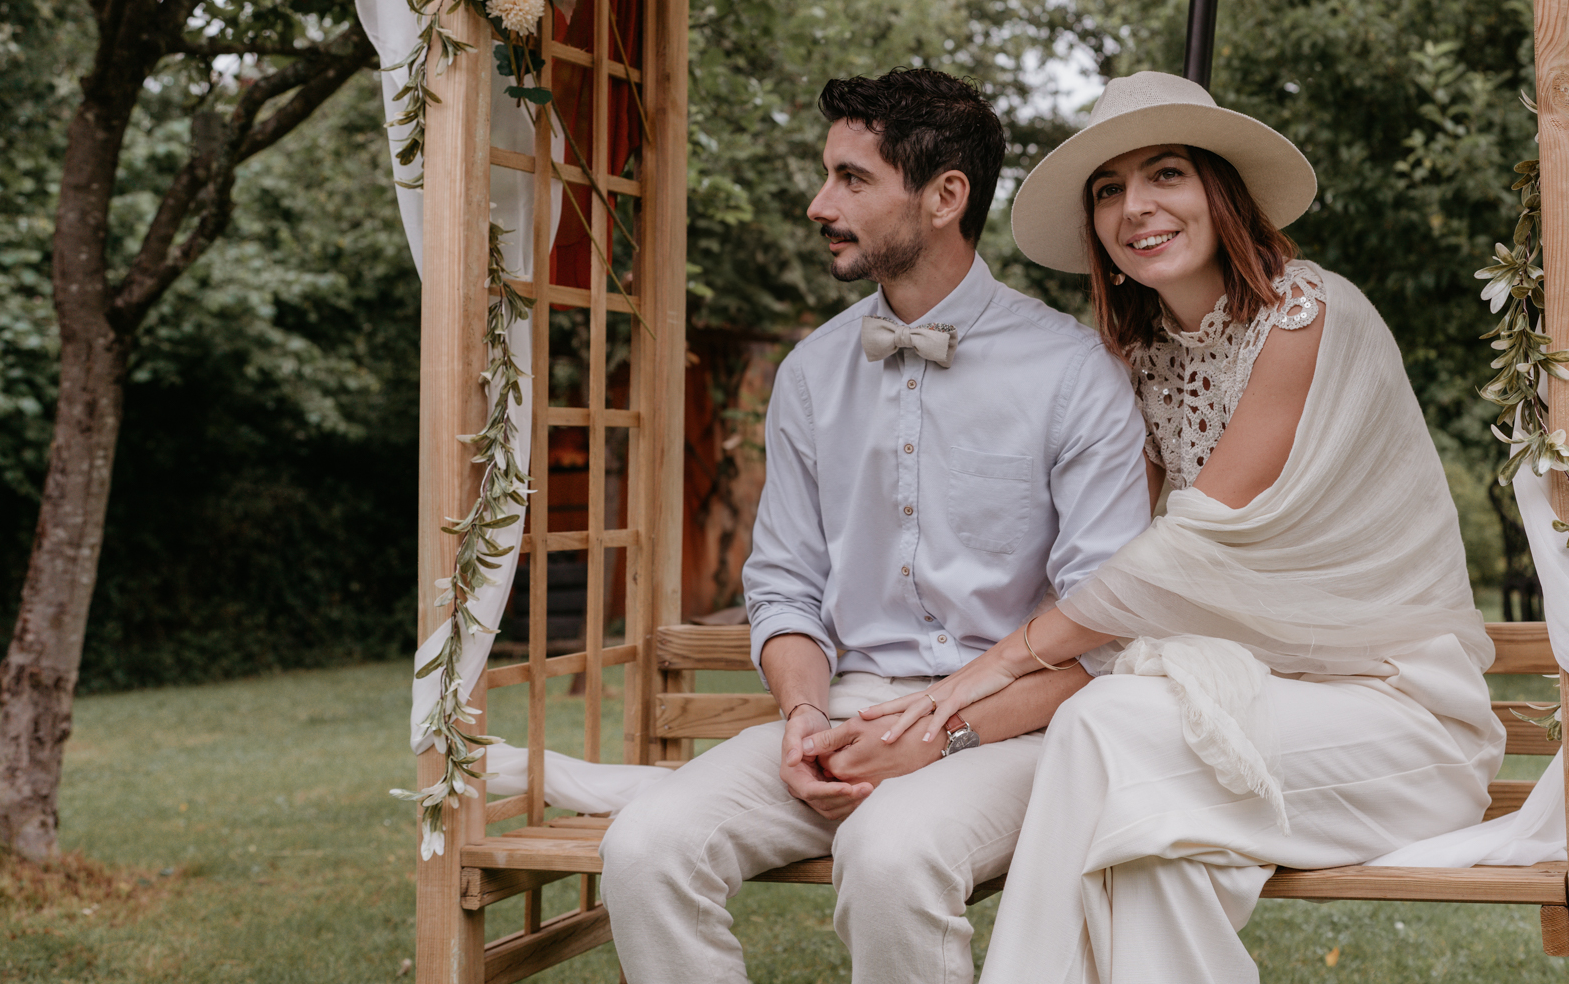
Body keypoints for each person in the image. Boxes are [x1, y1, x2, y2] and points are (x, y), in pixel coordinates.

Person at [862, 71, 1505, 984]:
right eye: (1110, 188)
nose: (1137, 206)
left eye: (1165, 172)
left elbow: (1186, 549)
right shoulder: (1143, 359)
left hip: (1396, 724)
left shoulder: (1309, 314)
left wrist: (999, 662)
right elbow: (1112, 553)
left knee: (1105, 725)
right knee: (1145, 853)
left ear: (1220, 190)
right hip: (1244, 710)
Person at [598, 67, 1154, 984]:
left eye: (853, 179)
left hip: (1016, 733)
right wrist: (803, 714)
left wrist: (941, 731)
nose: (822, 203)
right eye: (829, 175)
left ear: (945, 196)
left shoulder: (1073, 373)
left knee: (891, 857)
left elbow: (1106, 625)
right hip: (842, 714)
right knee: (646, 848)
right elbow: (783, 585)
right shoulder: (812, 375)